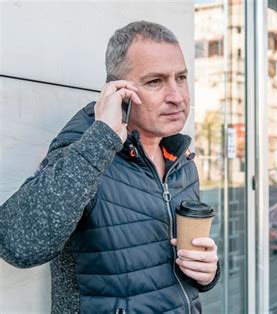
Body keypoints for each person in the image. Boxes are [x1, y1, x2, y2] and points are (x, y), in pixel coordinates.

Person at [0, 21, 219, 313]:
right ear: (119, 91)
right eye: (155, 81)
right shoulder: (85, 150)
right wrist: (102, 137)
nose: (177, 96)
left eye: (180, 78)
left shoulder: (179, 157)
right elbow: (19, 244)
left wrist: (208, 272)